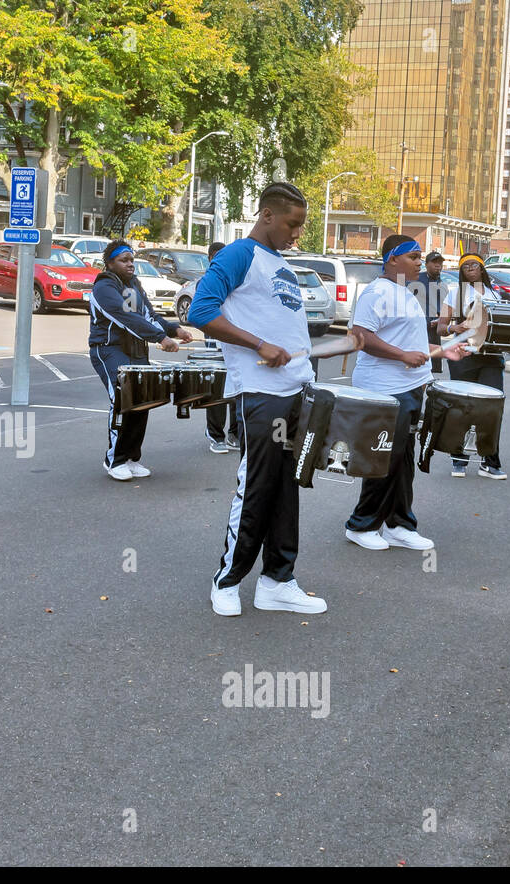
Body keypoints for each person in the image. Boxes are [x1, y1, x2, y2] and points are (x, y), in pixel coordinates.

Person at [185, 182, 327, 617]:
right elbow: (200, 311)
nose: (297, 234)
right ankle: (227, 580)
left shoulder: (280, 263)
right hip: (260, 395)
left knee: (288, 489)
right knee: (256, 489)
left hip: (294, 393)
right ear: (267, 215)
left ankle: (277, 581)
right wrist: (259, 344)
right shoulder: (237, 255)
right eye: (293, 224)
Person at [343, 236, 467, 552]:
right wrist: (401, 357)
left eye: (419, 257)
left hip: (409, 387)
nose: (418, 262)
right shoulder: (376, 292)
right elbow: (360, 337)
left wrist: (442, 351)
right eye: (413, 256)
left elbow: (409, 344)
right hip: (384, 390)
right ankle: (361, 525)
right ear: (392, 259)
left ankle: (399, 524)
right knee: (383, 458)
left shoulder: (406, 293)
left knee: (403, 459)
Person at [88, 239, 194, 479]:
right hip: (109, 350)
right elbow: (127, 318)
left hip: (135, 351)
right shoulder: (104, 287)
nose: (130, 265)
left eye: (131, 260)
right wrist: (160, 338)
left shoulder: (132, 286)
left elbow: (149, 315)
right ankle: (114, 460)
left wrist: (173, 330)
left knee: (142, 401)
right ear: (110, 263)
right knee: (123, 400)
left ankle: (132, 457)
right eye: (123, 261)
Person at [437, 253, 507, 479]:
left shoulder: (494, 293)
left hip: (491, 357)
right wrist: (453, 329)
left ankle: (490, 462)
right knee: (463, 408)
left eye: (474, 265)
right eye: (465, 266)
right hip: (464, 356)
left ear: (482, 268)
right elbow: (440, 327)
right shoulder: (455, 293)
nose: (470, 268)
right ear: (461, 271)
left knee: (491, 409)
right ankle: (459, 459)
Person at [202, 240, 240, 454]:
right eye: (217, 258)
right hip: (215, 346)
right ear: (210, 259)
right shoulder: (207, 281)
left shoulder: (233, 279)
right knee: (216, 394)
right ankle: (215, 435)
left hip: (233, 345)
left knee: (235, 392)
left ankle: (234, 433)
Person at [410, 250, 451, 374]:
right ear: (426, 264)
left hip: (434, 331)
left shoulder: (442, 285)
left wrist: (442, 319)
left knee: (431, 370)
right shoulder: (416, 280)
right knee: (417, 366)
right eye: (434, 262)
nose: (438, 265)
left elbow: (444, 310)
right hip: (417, 330)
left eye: (440, 263)